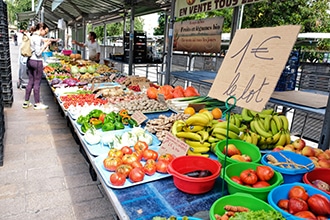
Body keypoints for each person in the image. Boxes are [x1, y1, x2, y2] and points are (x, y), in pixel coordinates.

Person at [22, 22, 51, 110]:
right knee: (37, 82)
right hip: (37, 61)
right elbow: (38, 53)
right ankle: (37, 103)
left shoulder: (32, 36)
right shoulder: (37, 38)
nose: (45, 34)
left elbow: (40, 41)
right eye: (45, 32)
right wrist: (45, 46)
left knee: (30, 81)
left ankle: (26, 102)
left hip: (30, 60)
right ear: (41, 29)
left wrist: (46, 41)